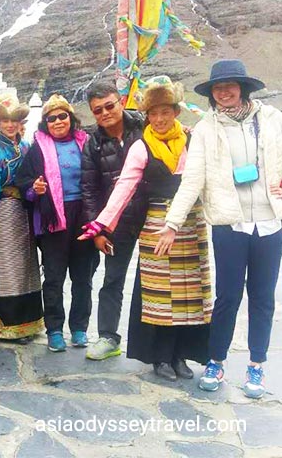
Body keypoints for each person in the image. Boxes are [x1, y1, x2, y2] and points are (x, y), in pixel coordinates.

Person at [155, 59, 282, 398]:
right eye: (217, 87)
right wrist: (172, 224)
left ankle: (256, 365)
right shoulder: (207, 130)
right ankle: (216, 359)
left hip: (270, 224)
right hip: (230, 224)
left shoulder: (271, 121)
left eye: (230, 85)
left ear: (244, 88)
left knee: (263, 299)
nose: (224, 91)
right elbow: (193, 178)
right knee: (226, 297)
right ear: (211, 93)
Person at [79, 78, 211, 380]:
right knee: (154, 291)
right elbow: (112, 187)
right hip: (141, 222)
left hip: (186, 223)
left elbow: (206, 177)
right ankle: (140, 349)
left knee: (187, 290)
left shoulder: (187, 139)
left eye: (166, 112)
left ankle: (181, 355)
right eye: (97, 110)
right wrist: (99, 225)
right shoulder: (117, 143)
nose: (160, 119)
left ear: (176, 112)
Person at [16, 94, 98, 351]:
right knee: (53, 276)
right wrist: (35, 188)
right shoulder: (37, 149)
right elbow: (24, 182)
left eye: (63, 116)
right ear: (46, 124)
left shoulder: (87, 143)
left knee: (83, 276)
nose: (58, 121)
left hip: (84, 215)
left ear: (71, 118)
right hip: (54, 218)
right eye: (52, 118)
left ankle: (79, 328)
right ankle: (54, 329)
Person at [81, 81, 147, 361]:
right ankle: (108, 336)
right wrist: (98, 229)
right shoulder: (93, 142)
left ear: (120, 101)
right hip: (116, 222)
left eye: (109, 105)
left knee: (154, 281)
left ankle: (153, 340)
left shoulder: (145, 128)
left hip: (151, 215)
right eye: (98, 110)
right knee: (112, 279)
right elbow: (89, 189)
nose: (105, 113)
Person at [0, 95, 43, 341]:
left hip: (25, 210)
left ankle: (30, 321)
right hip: (4, 212)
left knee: (27, 267)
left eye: (14, 120)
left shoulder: (25, 146)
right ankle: (9, 325)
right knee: (9, 271)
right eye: (5, 120)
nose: (10, 125)